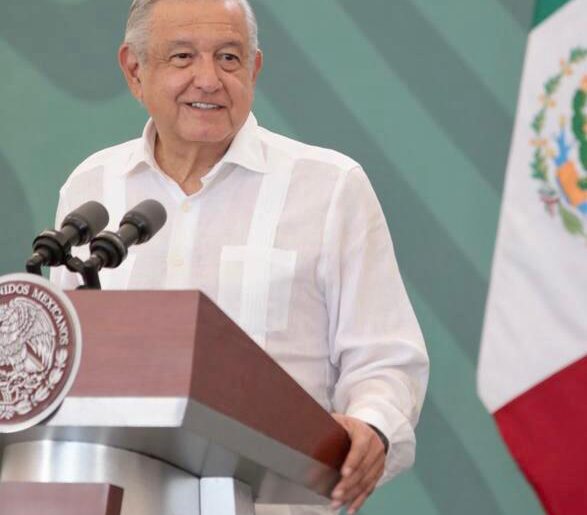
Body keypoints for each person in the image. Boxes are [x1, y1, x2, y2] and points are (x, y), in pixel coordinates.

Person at [51, 0, 429, 513]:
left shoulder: (330, 187)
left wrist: (373, 426)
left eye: (228, 58)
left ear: (254, 69)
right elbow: (63, 365)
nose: (209, 80)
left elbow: (385, 359)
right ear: (135, 70)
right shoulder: (91, 187)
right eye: (183, 57)